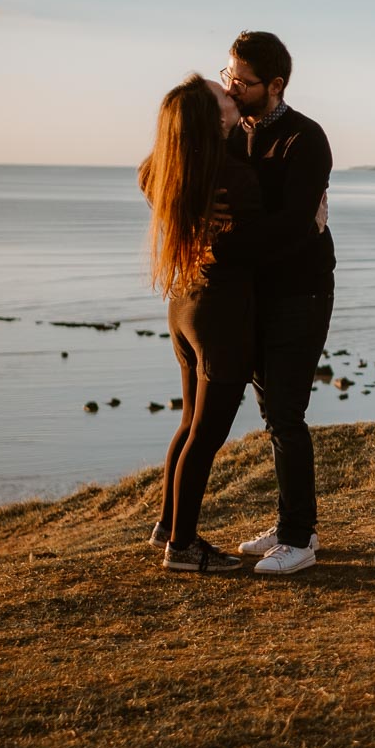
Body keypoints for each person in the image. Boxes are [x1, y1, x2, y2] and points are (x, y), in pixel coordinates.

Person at [221, 30, 336, 576]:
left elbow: (293, 225)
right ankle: (290, 521)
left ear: (275, 84)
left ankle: (299, 538)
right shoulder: (230, 132)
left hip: (301, 290)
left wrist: (219, 245)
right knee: (272, 414)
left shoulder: (304, 138)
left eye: (242, 82)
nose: (233, 88)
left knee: (288, 414)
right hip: (254, 293)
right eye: (229, 78)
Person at [139, 75, 262, 573]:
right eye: (223, 97)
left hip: (184, 303)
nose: (233, 97)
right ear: (215, 121)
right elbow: (263, 245)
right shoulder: (236, 175)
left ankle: (168, 526)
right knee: (206, 435)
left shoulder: (168, 173)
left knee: (190, 423)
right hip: (222, 315)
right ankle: (184, 547)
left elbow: (146, 175)